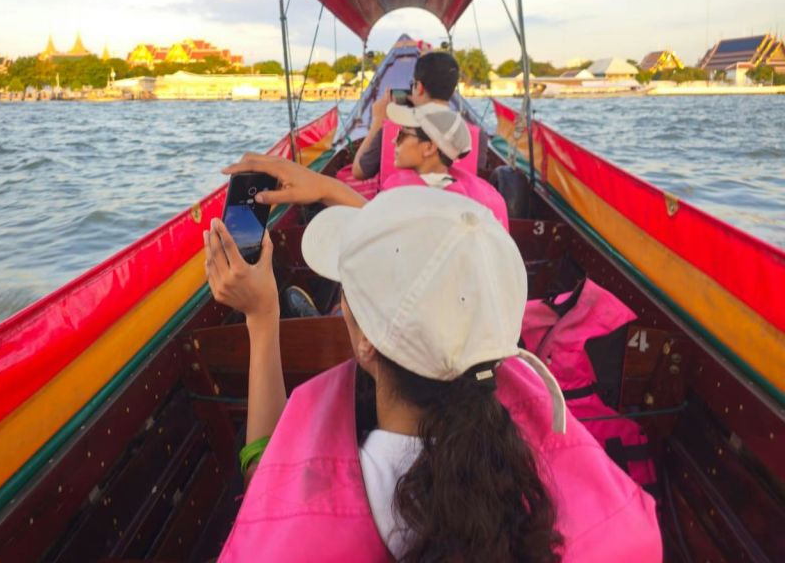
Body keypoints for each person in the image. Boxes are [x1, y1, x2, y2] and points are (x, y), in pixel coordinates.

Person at [203, 167, 661, 563]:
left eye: (346, 298)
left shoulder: (299, 525)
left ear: (364, 342)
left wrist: (262, 319)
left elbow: (267, 491)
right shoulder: (572, 482)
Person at [384, 101, 510, 229]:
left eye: (402, 135)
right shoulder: (480, 200)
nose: (394, 140)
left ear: (429, 147)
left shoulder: (407, 200)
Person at [351, 51, 473, 183]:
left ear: (419, 87)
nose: (395, 140)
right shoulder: (468, 136)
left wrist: (378, 120)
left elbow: (358, 171)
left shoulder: (389, 130)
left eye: (402, 135)